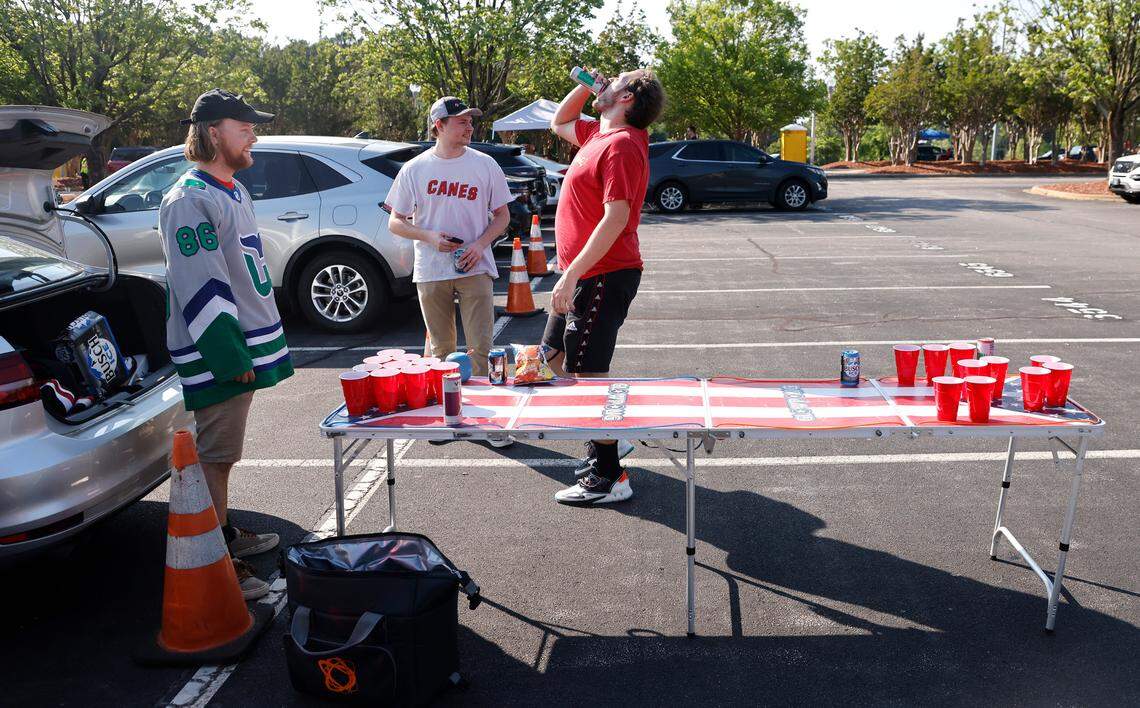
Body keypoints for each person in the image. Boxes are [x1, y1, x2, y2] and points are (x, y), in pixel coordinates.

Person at [160, 89, 294, 599]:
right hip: (220, 352)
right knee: (214, 457)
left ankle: (224, 534)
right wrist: (228, 355)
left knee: (225, 454)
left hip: (245, 343)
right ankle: (215, 557)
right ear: (214, 132)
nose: (254, 134)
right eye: (245, 127)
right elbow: (201, 283)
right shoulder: (190, 198)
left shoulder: (230, 188)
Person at [545, 68, 665, 506]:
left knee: (587, 377)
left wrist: (572, 274)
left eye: (613, 81)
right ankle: (610, 437)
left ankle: (609, 476)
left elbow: (616, 218)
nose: (605, 83)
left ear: (628, 97)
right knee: (552, 363)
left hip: (602, 275)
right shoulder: (598, 133)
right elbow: (558, 123)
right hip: (583, 273)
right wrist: (583, 85)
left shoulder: (622, 145)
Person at [385, 96, 514, 448]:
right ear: (438, 125)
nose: (470, 126)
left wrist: (479, 244)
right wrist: (427, 235)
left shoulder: (485, 165)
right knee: (441, 353)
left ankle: (491, 425)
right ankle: (450, 420)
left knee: (481, 350)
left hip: (475, 266)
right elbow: (396, 221)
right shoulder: (415, 169)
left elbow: (502, 216)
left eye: (471, 120)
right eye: (461, 121)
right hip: (431, 269)